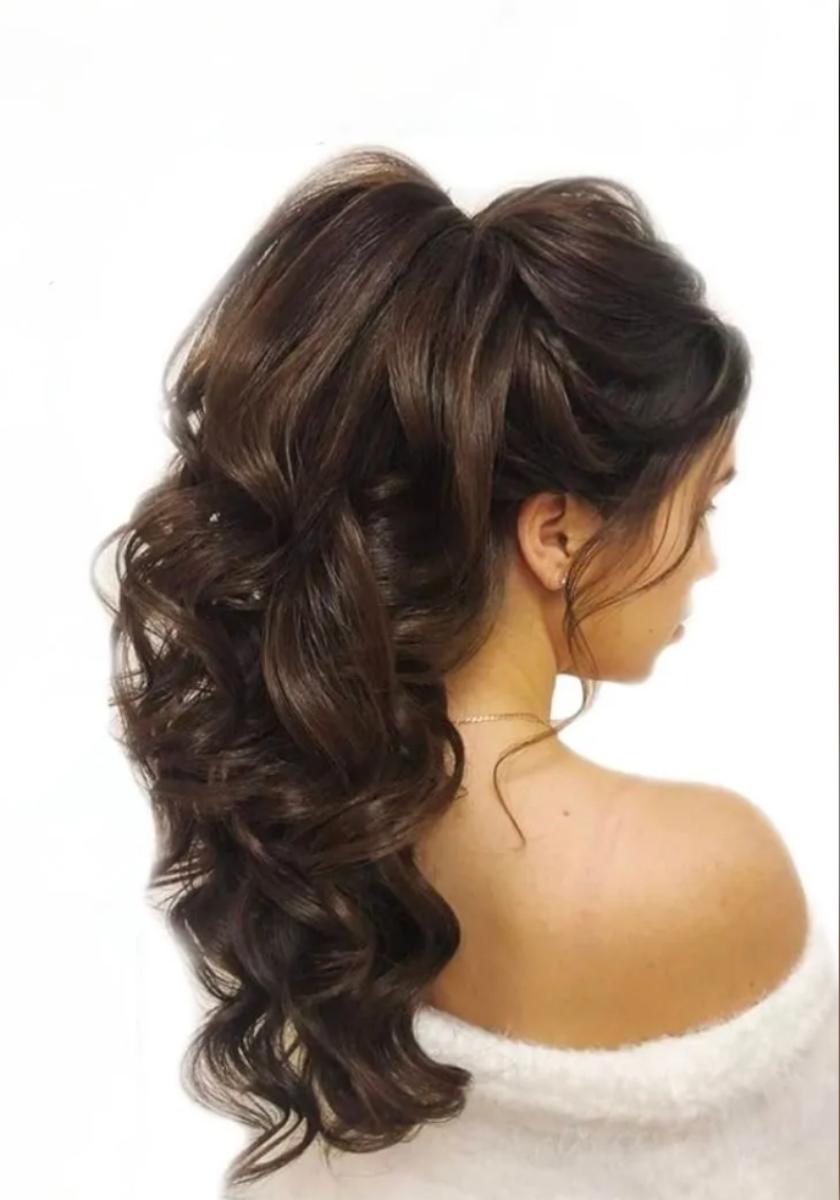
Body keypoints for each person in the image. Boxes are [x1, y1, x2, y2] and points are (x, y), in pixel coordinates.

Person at [92, 146, 838, 1198]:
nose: (707, 561)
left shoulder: (310, 838)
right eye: (702, 504)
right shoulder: (709, 870)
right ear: (557, 535)